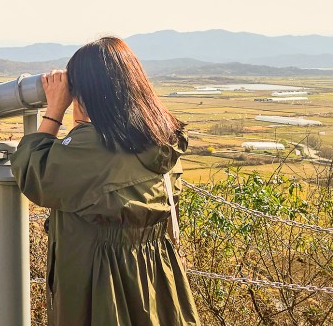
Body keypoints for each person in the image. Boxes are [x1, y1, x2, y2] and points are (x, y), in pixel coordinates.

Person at [10, 36, 200, 326]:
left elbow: (32, 169)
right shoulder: (159, 137)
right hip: (155, 275)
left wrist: (54, 111)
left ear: (88, 91)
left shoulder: (94, 147)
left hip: (100, 283)